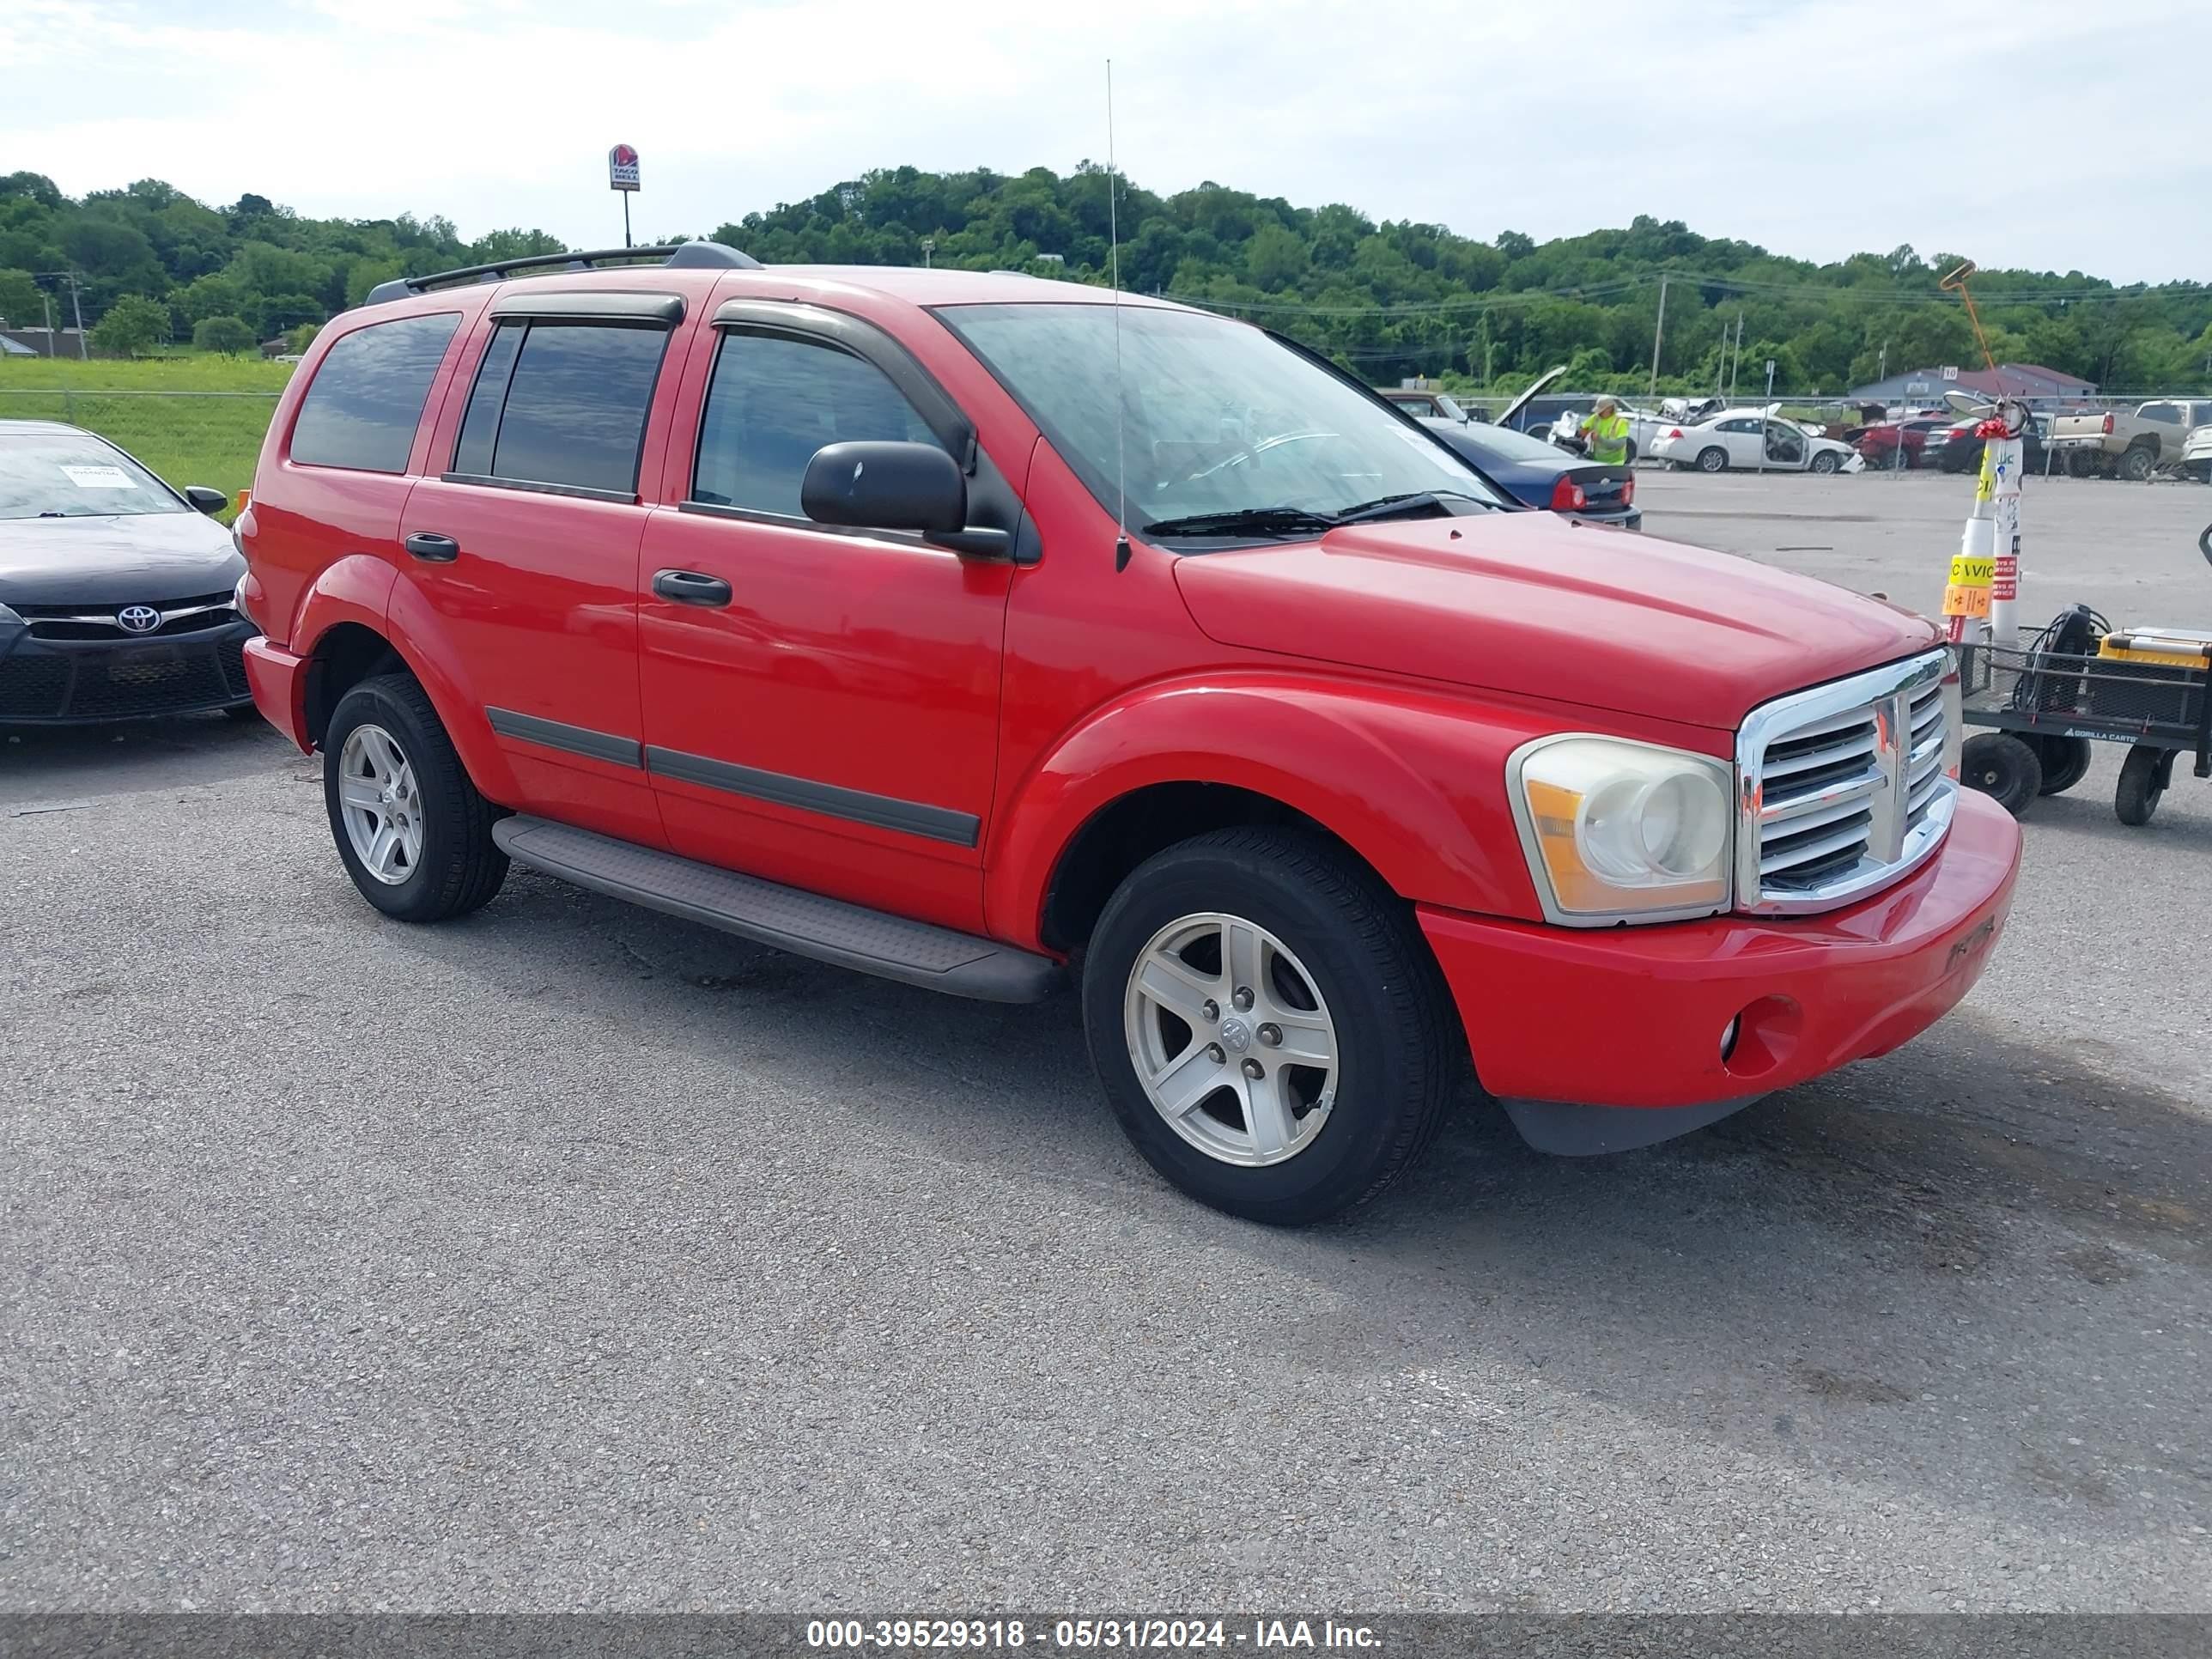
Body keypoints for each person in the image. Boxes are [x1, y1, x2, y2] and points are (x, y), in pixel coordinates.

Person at [1578, 396, 1632, 467]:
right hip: (1597, 462)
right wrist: (1583, 432)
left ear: (1610, 409)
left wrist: (1600, 439)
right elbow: (1582, 429)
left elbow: (1620, 444)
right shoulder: (1595, 418)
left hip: (1615, 463)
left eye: (1602, 410)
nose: (1599, 413)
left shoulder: (1621, 422)